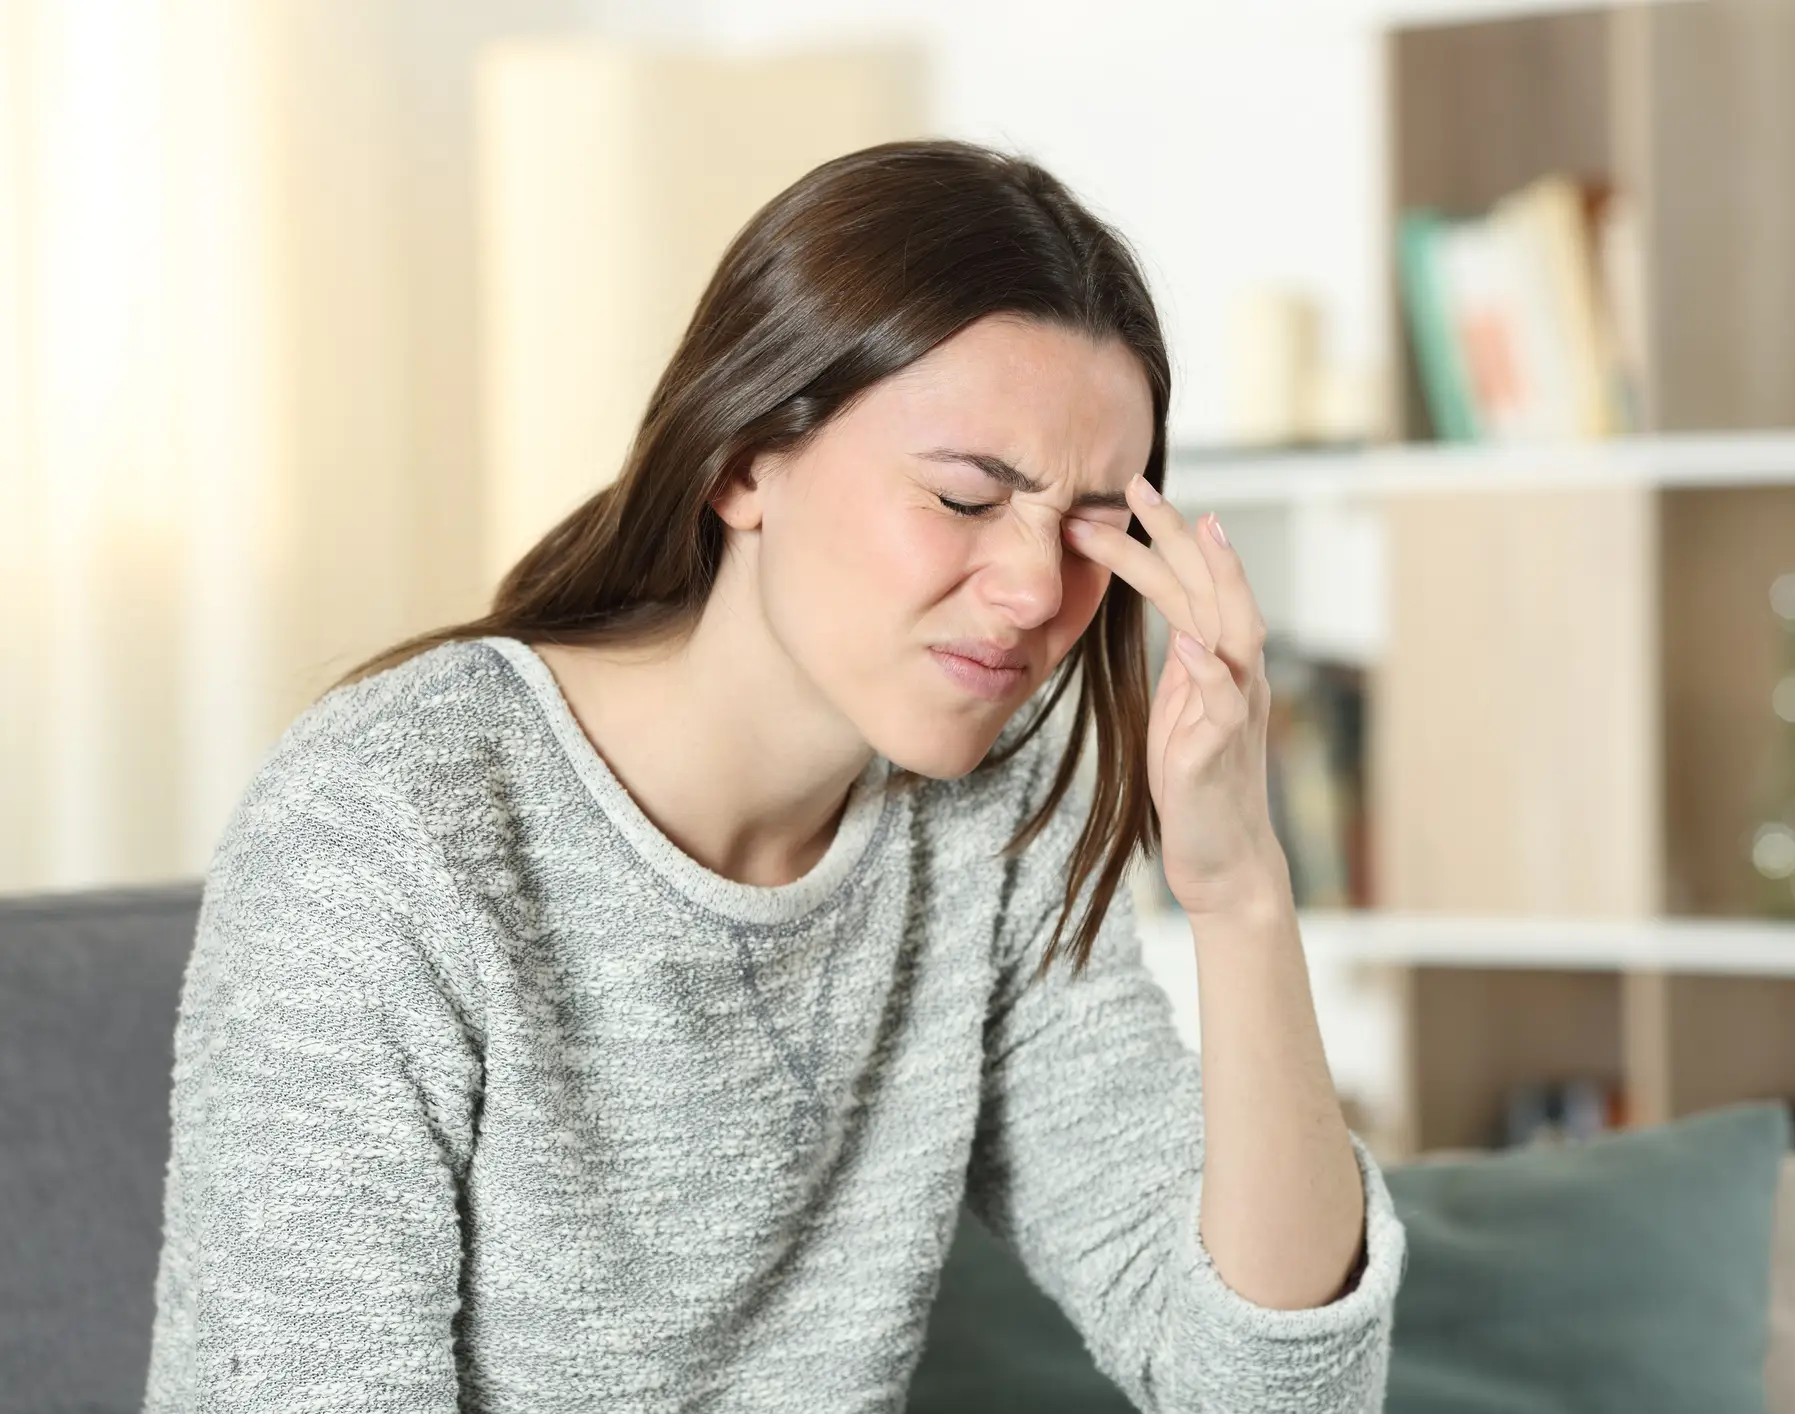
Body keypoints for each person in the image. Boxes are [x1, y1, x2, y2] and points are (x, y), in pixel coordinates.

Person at [144, 138, 1405, 1412]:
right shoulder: (388, 825)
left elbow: (1274, 1397)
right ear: (746, 462)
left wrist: (1239, 888)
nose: (1037, 590)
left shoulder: (997, 814)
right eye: (967, 499)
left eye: (1091, 528)